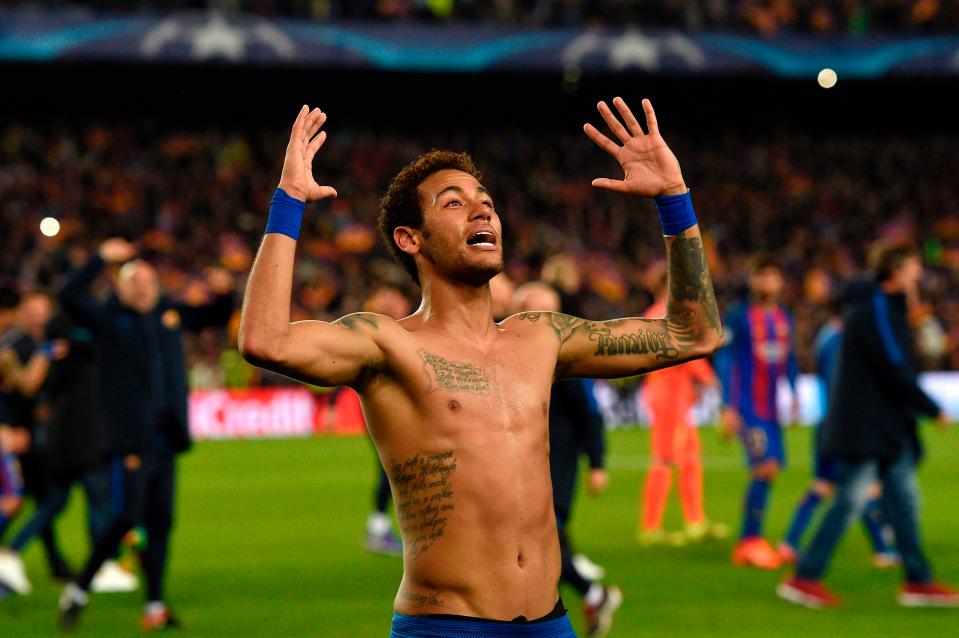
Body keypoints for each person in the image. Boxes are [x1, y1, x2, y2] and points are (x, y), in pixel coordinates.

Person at [238, 97, 722, 637]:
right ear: (409, 239)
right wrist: (288, 203)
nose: (482, 210)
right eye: (453, 203)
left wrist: (675, 201)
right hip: (446, 628)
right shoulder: (386, 344)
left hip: (549, 625)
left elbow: (693, 332)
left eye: (485, 200)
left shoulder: (541, 337)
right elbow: (265, 340)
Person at [56, 240, 235, 630]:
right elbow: (67, 295)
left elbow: (214, 315)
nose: (142, 286)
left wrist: (225, 290)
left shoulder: (167, 315)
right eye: (133, 280)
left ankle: (154, 604)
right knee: (125, 519)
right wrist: (99, 258)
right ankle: (79, 588)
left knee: (160, 522)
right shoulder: (107, 319)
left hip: (165, 439)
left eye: (149, 280)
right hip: (128, 442)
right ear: (119, 287)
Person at [778, 244, 959, 609]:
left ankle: (918, 580)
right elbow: (893, 365)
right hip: (866, 427)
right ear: (895, 271)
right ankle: (804, 577)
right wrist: (929, 407)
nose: (918, 274)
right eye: (912, 266)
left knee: (903, 500)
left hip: (886, 428)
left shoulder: (883, 308)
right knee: (851, 499)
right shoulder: (877, 308)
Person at [510, 281, 622, 638]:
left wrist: (598, 463)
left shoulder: (567, 355)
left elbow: (590, 414)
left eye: (549, 310)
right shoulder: (506, 350)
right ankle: (587, 595)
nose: (542, 317)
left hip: (555, 462)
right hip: (516, 463)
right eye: (533, 308)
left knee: (540, 540)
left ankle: (590, 595)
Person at [777, 295, 898, 568]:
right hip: (843, 427)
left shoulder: (827, 339)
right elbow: (840, 388)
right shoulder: (837, 343)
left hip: (828, 425)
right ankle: (882, 549)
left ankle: (790, 542)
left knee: (825, 486)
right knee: (864, 487)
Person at [717, 255, 798, 569]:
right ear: (753, 281)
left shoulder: (784, 317)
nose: (768, 282)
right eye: (761, 276)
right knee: (764, 467)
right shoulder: (739, 317)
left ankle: (752, 539)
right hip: (748, 406)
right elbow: (728, 361)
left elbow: (789, 359)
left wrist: (792, 392)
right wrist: (729, 406)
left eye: (773, 276)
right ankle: (749, 541)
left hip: (771, 407)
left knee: (770, 468)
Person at [638, 274, 728, 546]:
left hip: (674, 393)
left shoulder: (656, 313)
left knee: (689, 456)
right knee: (665, 459)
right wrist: (708, 377)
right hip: (669, 396)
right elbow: (683, 351)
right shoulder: (664, 314)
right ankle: (650, 527)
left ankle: (695, 520)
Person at [362, 285, 413, 556]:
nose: (389, 303)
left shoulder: (412, 328)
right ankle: (379, 528)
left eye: (395, 297)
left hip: (404, 410)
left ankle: (381, 527)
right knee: (392, 468)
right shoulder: (374, 331)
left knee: (400, 469)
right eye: (385, 297)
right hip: (383, 410)